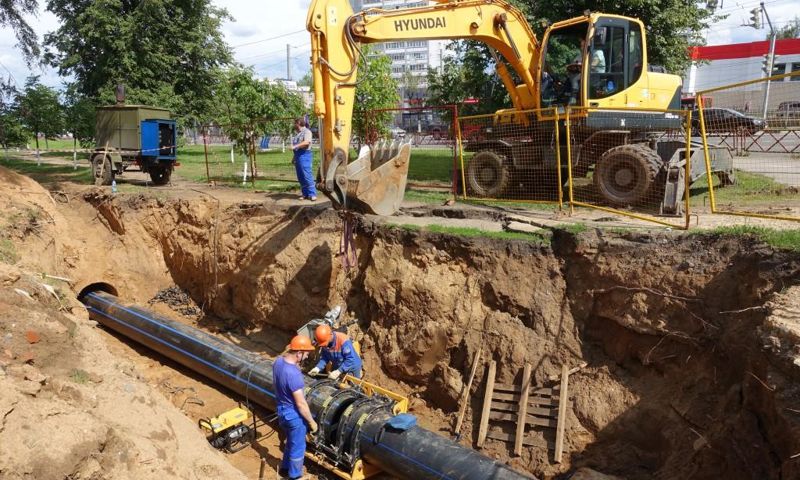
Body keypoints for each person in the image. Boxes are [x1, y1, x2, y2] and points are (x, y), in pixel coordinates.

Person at [273, 335, 318, 480]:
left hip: (281, 411)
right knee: (298, 447)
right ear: (298, 353)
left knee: (291, 441)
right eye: (305, 354)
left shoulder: (278, 362)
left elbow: (287, 364)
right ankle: (295, 476)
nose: (306, 357)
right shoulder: (293, 374)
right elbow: (301, 404)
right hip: (294, 416)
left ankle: (284, 469)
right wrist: (311, 421)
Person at [292, 117, 317, 201]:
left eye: (295, 123)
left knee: (307, 174)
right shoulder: (298, 134)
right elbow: (296, 149)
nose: (294, 125)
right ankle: (305, 194)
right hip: (298, 156)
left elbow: (306, 142)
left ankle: (312, 194)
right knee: (300, 176)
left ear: (298, 123)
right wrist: (294, 157)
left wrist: (295, 146)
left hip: (305, 155)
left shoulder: (307, 132)